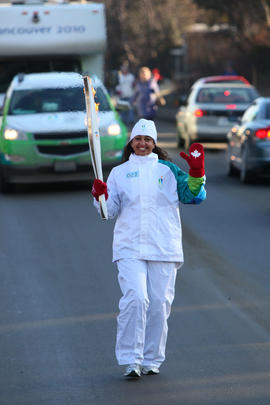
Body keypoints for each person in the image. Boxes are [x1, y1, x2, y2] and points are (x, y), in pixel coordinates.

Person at [91, 118, 206, 378]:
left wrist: (197, 174)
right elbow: (109, 213)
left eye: (147, 139)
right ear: (131, 142)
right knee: (136, 298)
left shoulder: (168, 170)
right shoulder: (119, 173)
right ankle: (132, 359)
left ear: (154, 143)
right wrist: (101, 198)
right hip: (129, 245)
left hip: (163, 245)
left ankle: (152, 359)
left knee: (158, 304)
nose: (142, 143)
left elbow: (194, 197)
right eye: (138, 139)